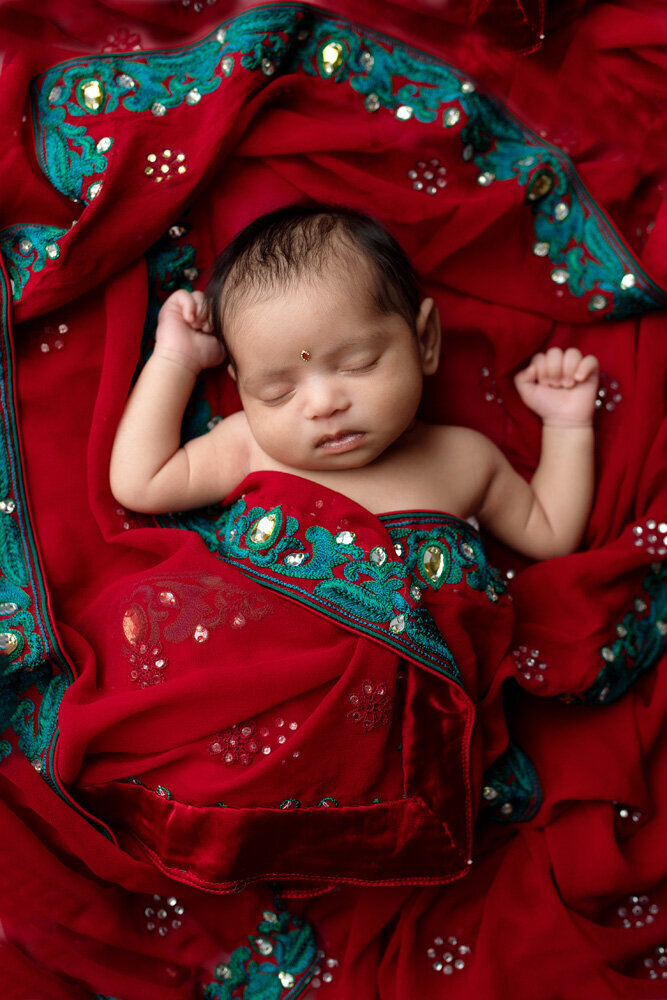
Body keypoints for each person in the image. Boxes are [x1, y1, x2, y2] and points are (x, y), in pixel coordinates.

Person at [110, 203, 600, 559]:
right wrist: (176, 358)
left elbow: (551, 534)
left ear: (424, 340)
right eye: (277, 392)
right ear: (239, 387)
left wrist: (567, 426)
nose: (323, 404)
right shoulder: (247, 448)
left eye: (359, 363)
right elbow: (141, 482)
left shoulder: (466, 461)